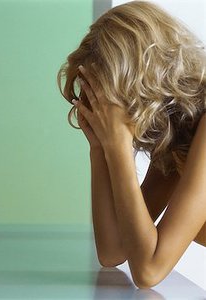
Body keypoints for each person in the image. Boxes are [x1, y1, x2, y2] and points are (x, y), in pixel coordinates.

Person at [57, 1, 205, 288]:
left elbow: (149, 271)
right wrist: (100, 149)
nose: (102, 111)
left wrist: (118, 147)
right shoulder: (180, 143)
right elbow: (112, 251)